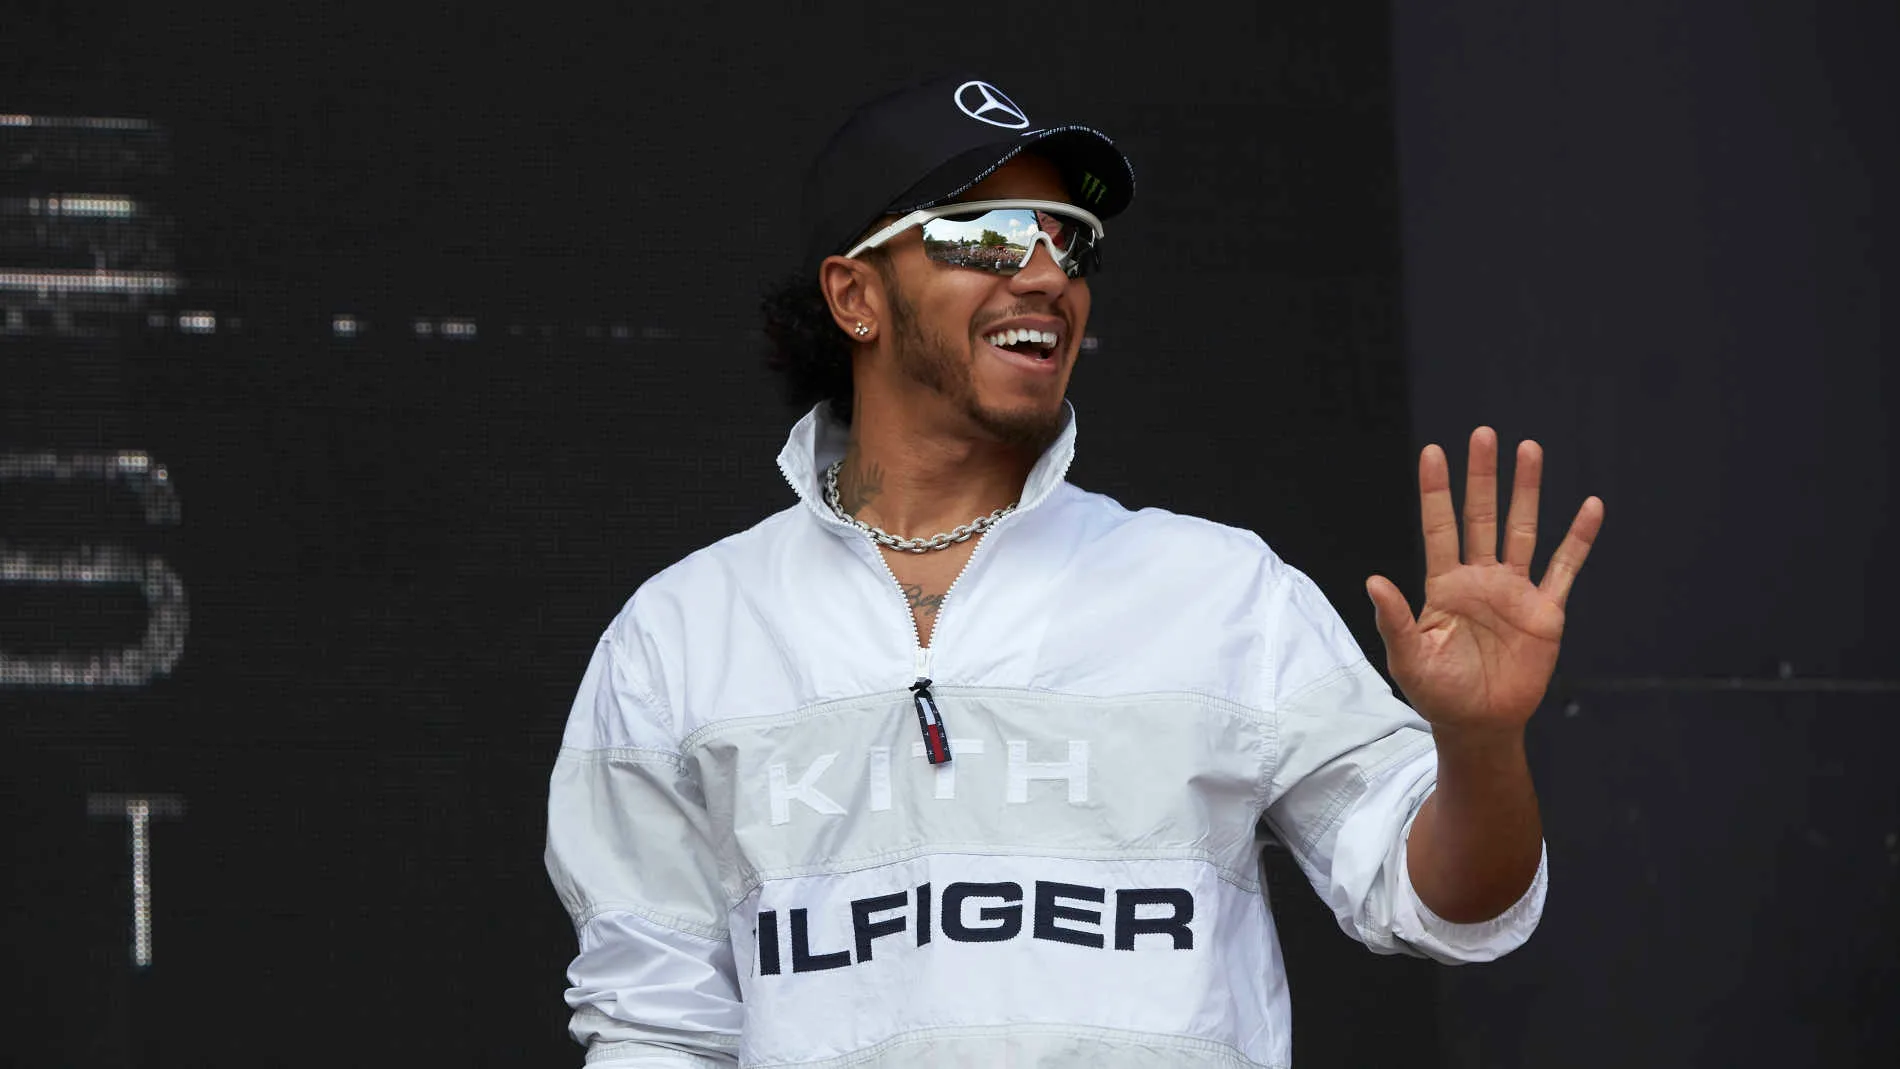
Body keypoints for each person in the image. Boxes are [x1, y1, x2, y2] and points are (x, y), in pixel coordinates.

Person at [545, 73, 1603, 1068]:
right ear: (855, 294)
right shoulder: (681, 633)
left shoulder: (1221, 588)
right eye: (992, 233)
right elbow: (654, 1029)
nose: (1048, 272)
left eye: (1070, 240)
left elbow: (1442, 906)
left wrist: (1478, 745)